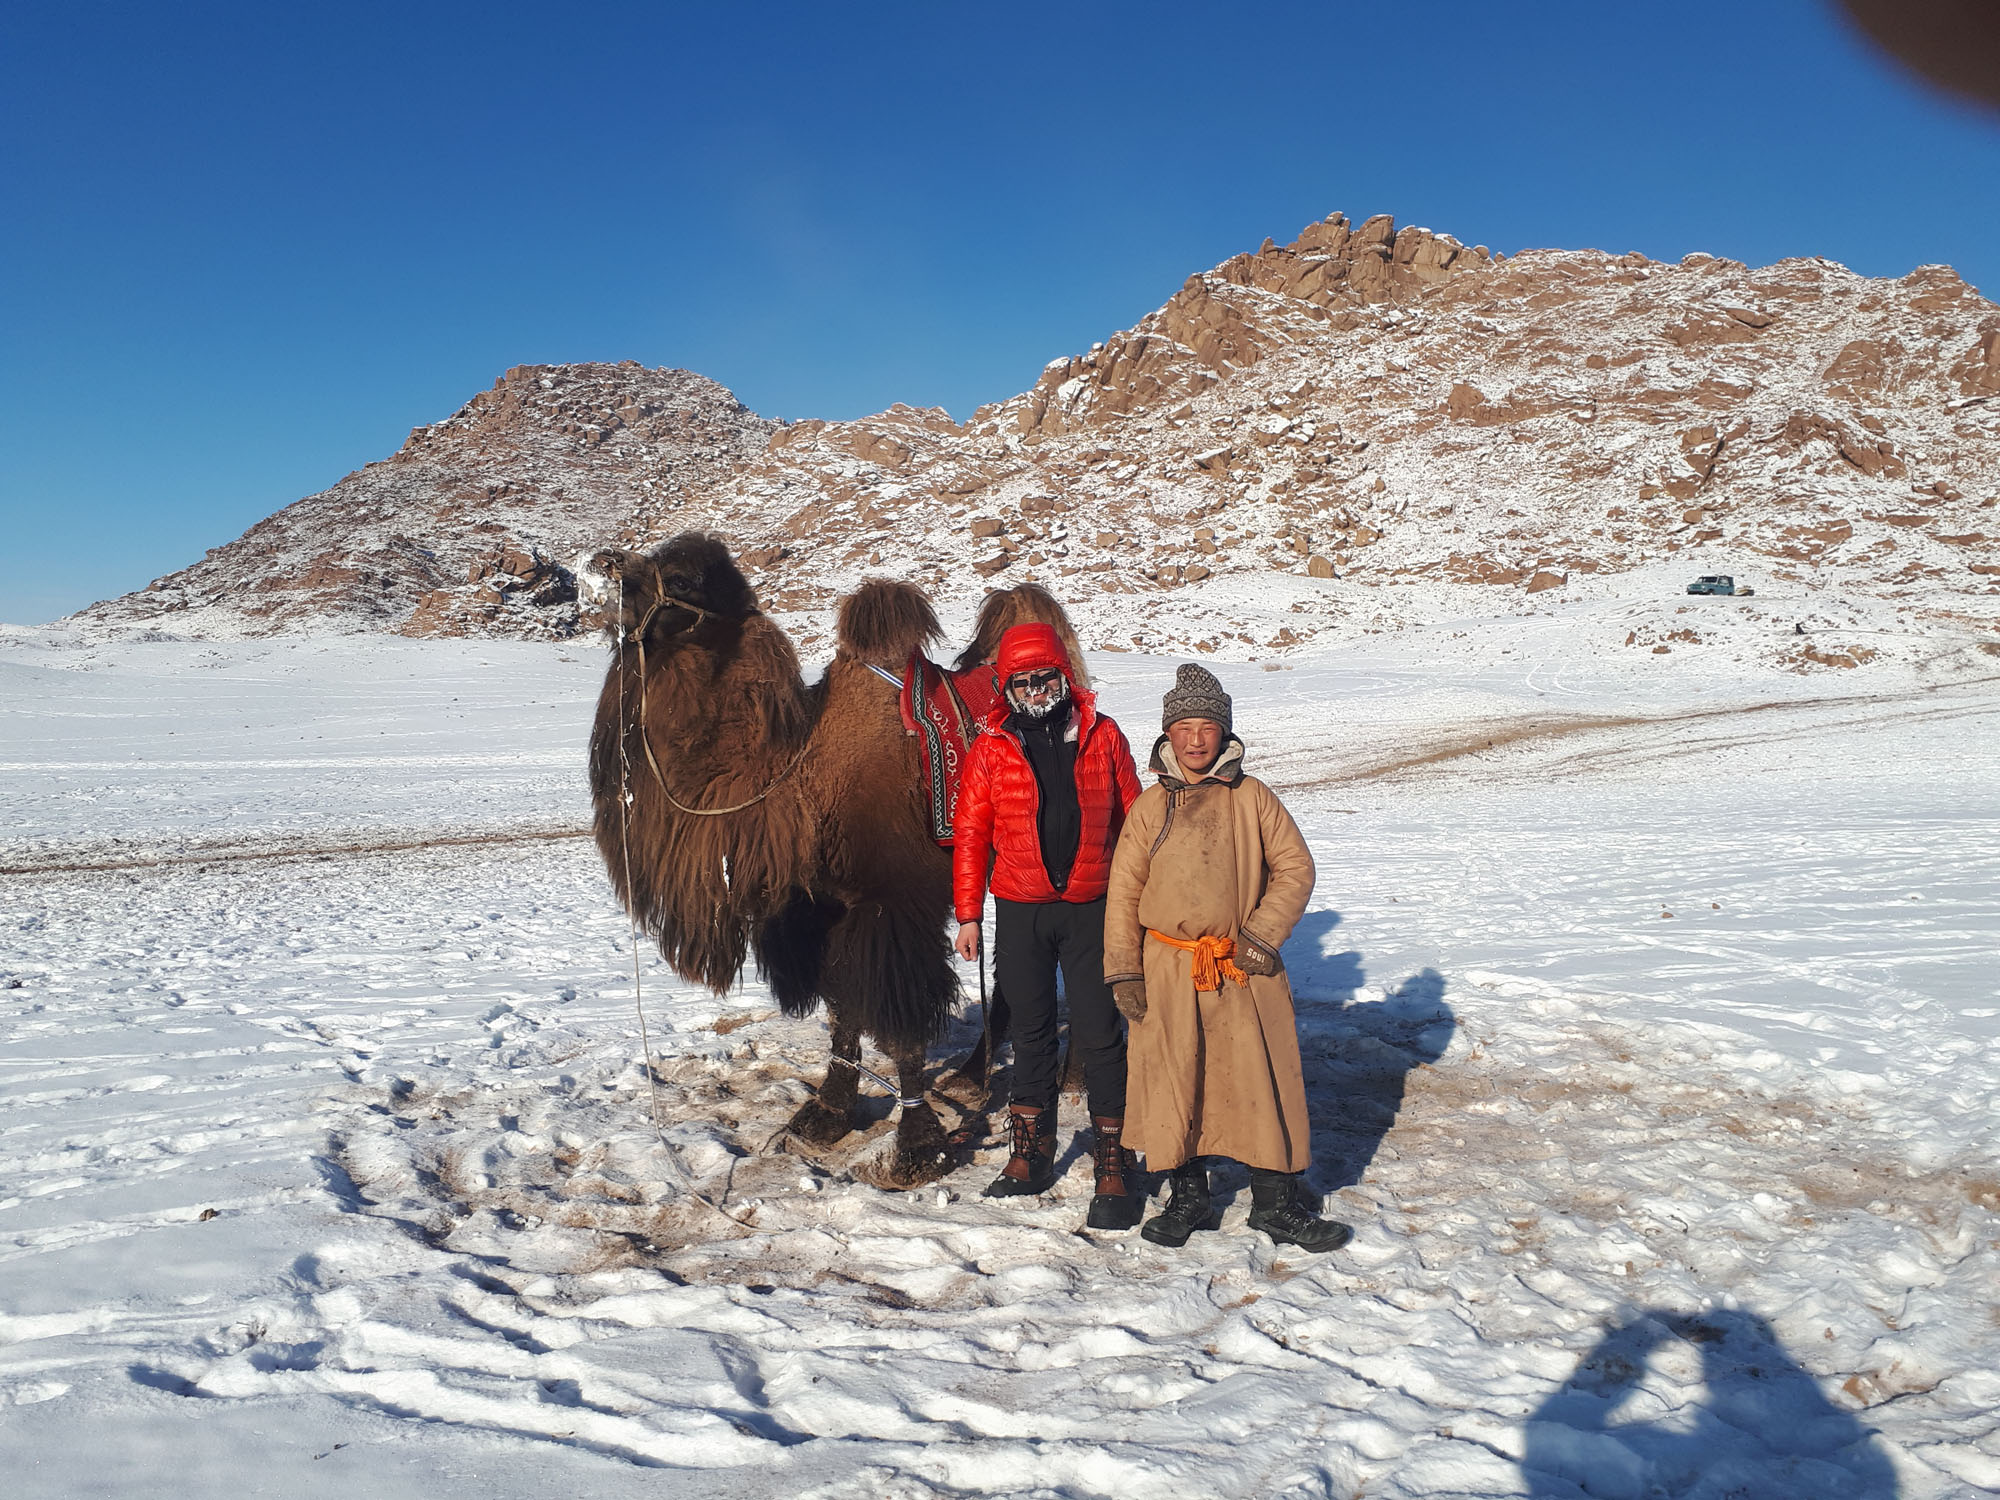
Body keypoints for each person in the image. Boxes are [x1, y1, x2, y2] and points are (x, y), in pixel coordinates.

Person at [1103, 664, 1351, 1253]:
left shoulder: (1253, 797)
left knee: (1260, 1079)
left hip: (1242, 967)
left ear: (1224, 733)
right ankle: (1188, 1198)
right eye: (1184, 727)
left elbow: (1295, 867)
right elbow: (1124, 894)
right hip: (1170, 968)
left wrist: (1261, 936)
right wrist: (1125, 970)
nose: (1195, 740)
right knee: (1176, 1078)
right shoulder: (1149, 808)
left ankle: (1275, 1204)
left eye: (1207, 727)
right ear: (1168, 734)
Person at [952, 622, 1143, 1227]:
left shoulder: (1103, 734)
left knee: (1099, 1032)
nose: (1036, 690)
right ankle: (1030, 1154)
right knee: (1031, 1033)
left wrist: (1143, 900)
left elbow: (1135, 820)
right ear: (1006, 688)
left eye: (1045, 678)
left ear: (1064, 677)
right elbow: (971, 835)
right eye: (1023, 682)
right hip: (1021, 910)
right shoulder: (991, 747)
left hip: (1093, 906)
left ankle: (1114, 1158)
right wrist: (968, 915)